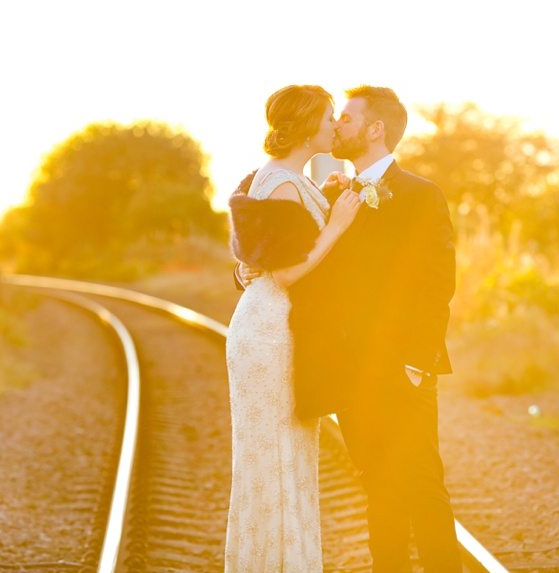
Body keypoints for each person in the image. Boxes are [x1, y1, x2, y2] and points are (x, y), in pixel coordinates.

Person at [235, 86, 461, 572]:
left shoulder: (422, 195)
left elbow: (437, 283)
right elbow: (287, 253)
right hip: (352, 372)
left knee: (422, 485)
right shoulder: (335, 192)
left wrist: (417, 362)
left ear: (375, 129)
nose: (336, 125)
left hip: (404, 368)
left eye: (346, 119)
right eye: (333, 119)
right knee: (378, 486)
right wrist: (246, 270)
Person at [224, 84, 363, 572]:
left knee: (282, 456)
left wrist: (323, 204)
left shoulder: (281, 178)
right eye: (328, 117)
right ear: (307, 126)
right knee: (277, 459)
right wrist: (337, 224)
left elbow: (261, 252)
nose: (333, 125)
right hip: (270, 331)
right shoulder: (281, 181)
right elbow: (286, 271)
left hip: (268, 324)